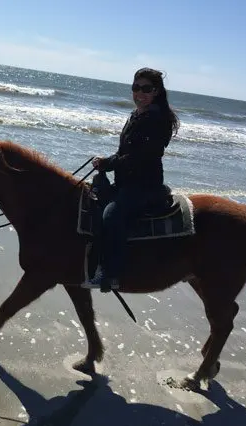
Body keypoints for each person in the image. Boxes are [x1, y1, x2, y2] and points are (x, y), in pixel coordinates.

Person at [81, 67, 180, 292]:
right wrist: (104, 161)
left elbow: (140, 158)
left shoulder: (157, 119)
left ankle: (110, 273)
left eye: (146, 89)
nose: (140, 93)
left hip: (144, 186)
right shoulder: (138, 115)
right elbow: (125, 152)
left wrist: (108, 163)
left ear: (156, 91)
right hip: (127, 182)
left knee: (112, 214)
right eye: (136, 88)